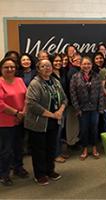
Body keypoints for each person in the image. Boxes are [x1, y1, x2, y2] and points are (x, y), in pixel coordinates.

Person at [24, 59, 67, 186]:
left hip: (53, 122)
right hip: (38, 122)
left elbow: (64, 99)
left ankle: (50, 170)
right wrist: (52, 114)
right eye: (43, 66)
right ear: (38, 69)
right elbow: (32, 104)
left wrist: (60, 111)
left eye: (48, 65)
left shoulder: (55, 82)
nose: (47, 68)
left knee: (51, 147)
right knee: (39, 150)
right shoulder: (35, 83)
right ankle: (40, 174)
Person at [0, 57, 28, 186]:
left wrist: (23, 113)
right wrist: (16, 113)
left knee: (19, 146)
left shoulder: (20, 80)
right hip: (5, 122)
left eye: (12, 67)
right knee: (6, 149)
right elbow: (1, 104)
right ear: (1, 69)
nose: (10, 69)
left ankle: (18, 168)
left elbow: (27, 97)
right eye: (6, 67)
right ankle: (4, 174)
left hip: (20, 119)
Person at [70, 56, 104, 160]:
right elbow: (73, 93)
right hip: (82, 109)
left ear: (91, 65)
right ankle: (84, 149)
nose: (86, 66)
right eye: (84, 64)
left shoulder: (97, 76)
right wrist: (77, 108)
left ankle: (94, 148)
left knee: (94, 128)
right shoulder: (75, 77)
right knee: (84, 129)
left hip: (94, 108)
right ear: (80, 65)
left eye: (88, 64)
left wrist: (101, 107)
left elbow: (101, 93)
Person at [50, 54, 68, 163]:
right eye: (55, 61)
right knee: (56, 131)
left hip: (63, 105)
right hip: (54, 108)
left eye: (59, 61)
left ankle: (59, 152)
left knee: (60, 130)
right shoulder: (49, 74)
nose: (58, 63)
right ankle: (55, 154)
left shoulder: (63, 72)